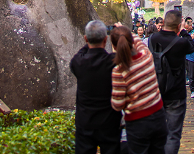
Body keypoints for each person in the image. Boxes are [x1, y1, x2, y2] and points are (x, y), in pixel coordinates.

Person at [110, 24, 168, 154]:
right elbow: (140, 43)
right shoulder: (146, 56)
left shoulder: (119, 71)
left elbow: (117, 104)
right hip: (158, 115)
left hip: (137, 122)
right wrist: (127, 31)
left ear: (114, 47)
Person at [70, 19, 122, 154]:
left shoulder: (78, 63)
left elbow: (79, 54)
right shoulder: (114, 61)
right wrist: (121, 34)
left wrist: (89, 40)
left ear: (85, 39)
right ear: (106, 40)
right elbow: (130, 53)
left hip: (85, 121)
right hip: (110, 121)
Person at [148, 9, 194, 154]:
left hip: (155, 90)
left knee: (155, 132)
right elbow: (191, 46)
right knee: (173, 134)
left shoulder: (152, 39)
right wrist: (183, 31)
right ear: (178, 25)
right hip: (176, 92)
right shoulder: (181, 43)